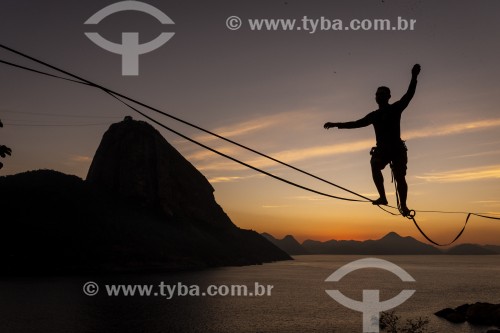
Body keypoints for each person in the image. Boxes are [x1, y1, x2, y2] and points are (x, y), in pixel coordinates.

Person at [324, 64, 421, 217]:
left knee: (400, 177)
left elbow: (409, 95)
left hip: (396, 149)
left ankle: (403, 205)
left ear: (388, 97)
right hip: (383, 149)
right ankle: (383, 197)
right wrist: (336, 125)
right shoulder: (374, 115)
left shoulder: (395, 108)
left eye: (382, 94)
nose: (379, 96)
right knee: (374, 164)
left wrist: (414, 77)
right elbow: (356, 123)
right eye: (377, 94)